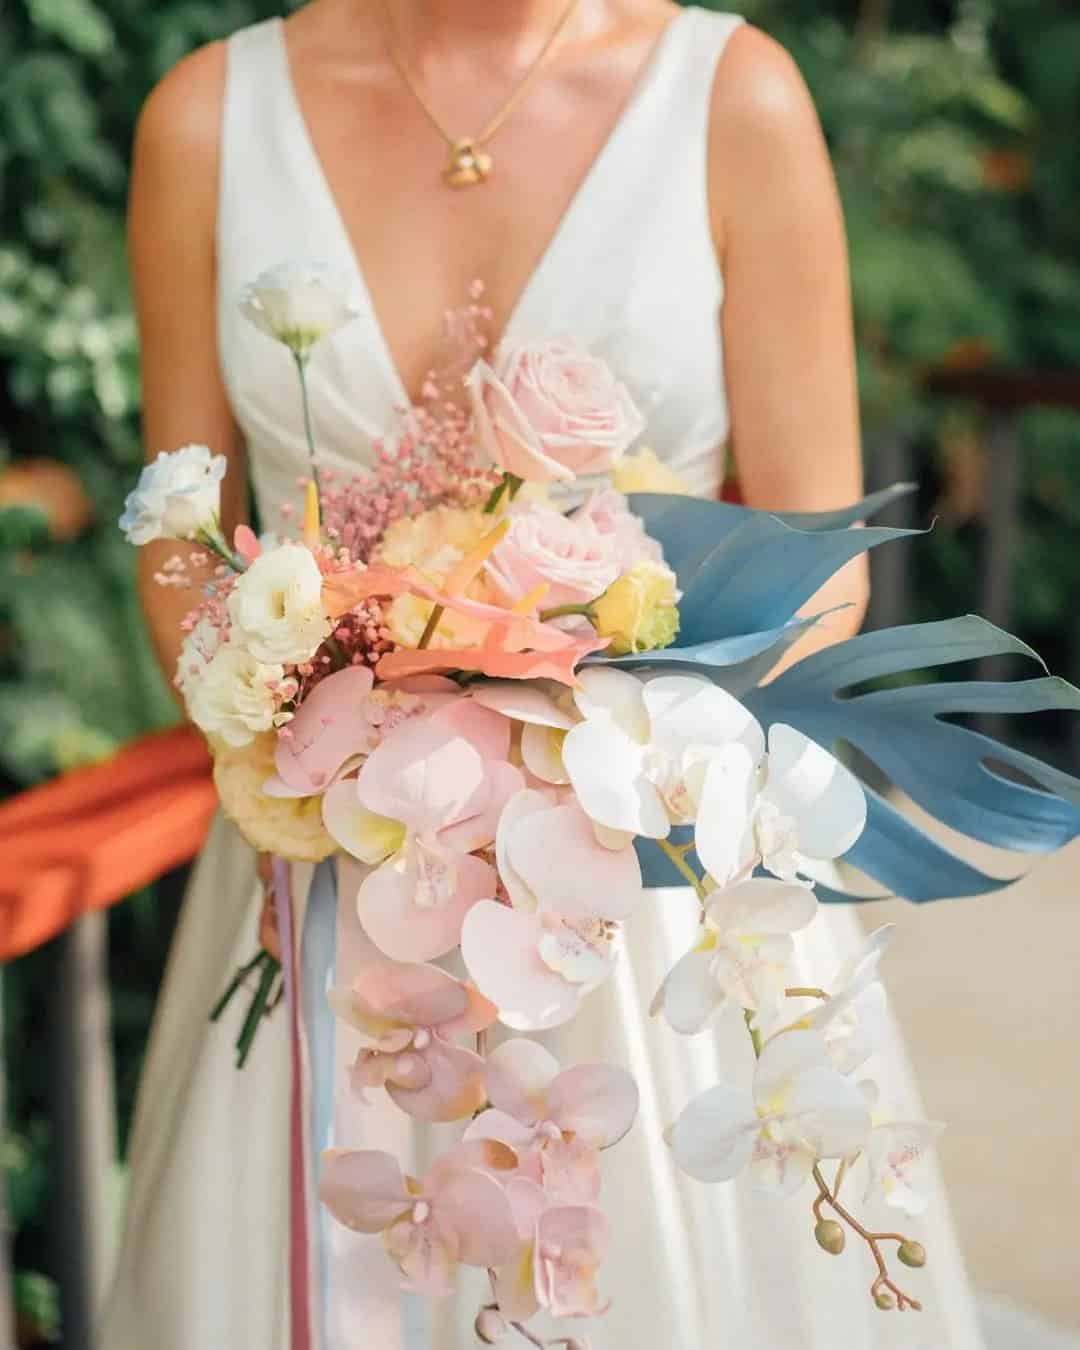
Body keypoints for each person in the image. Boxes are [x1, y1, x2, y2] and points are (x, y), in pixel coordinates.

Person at [100, 1, 987, 1345]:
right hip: (337, 879)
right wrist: (310, 727)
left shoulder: (733, 100)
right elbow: (178, 538)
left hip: (640, 904)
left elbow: (823, 567)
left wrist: (560, 763)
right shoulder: (210, 121)